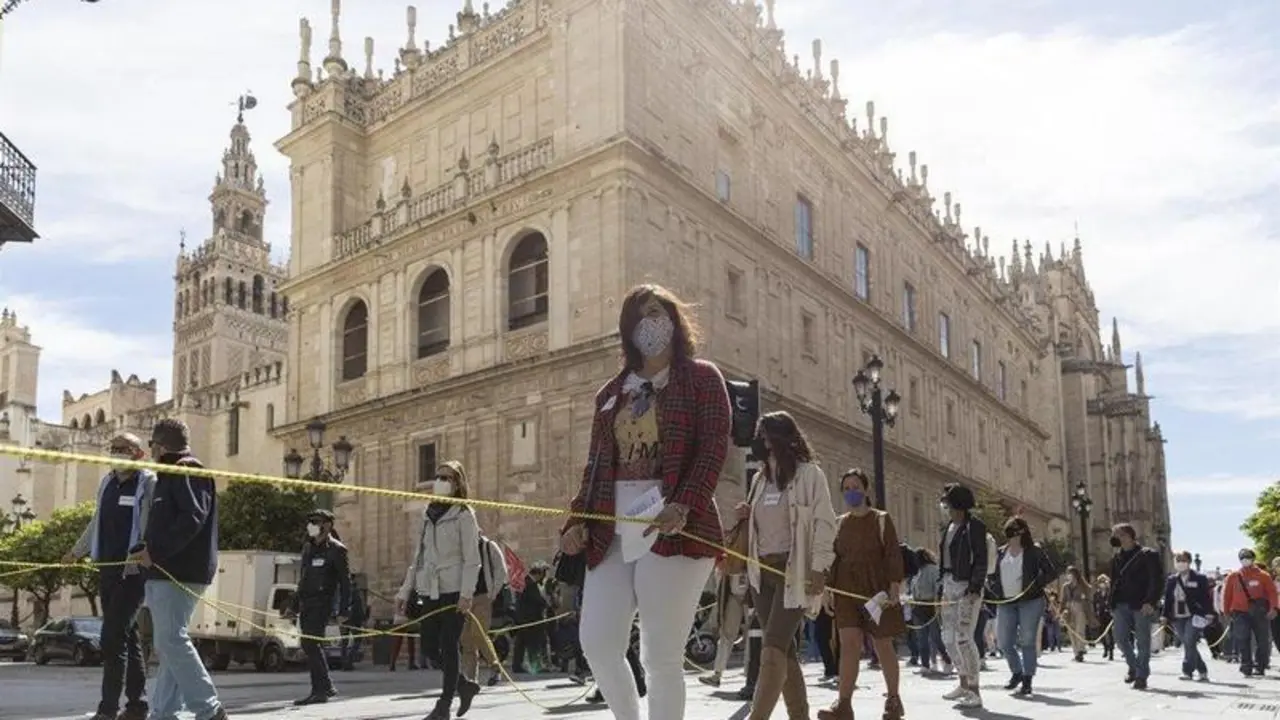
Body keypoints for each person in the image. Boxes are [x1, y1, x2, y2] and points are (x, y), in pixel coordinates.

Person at [558, 284, 731, 720]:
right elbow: (596, 465)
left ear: (674, 319)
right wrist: (575, 523)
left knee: (661, 656)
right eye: (638, 317)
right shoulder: (610, 394)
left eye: (655, 312)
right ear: (627, 332)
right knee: (597, 642)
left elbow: (712, 449)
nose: (648, 324)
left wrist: (684, 504)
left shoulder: (702, 379)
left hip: (675, 529)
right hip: (613, 530)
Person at [740, 412, 838, 720]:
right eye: (760, 435)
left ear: (781, 437)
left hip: (793, 573)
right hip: (761, 573)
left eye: (766, 435)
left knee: (771, 650)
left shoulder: (810, 475)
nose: (761, 441)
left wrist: (819, 568)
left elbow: (825, 523)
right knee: (786, 653)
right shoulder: (758, 480)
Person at [127, 418, 226, 720]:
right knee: (169, 643)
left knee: (170, 639)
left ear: (160, 445)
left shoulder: (186, 470)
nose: (150, 451)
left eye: (150, 446)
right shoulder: (171, 474)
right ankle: (164, 712)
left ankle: (209, 710)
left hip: (178, 571)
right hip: (168, 570)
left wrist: (154, 551)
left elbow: (191, 518)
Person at [65, 433, 157, 720]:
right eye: (113, 449)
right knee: (127, 637)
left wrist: (147, 550)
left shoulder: (148, 482)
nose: (117, 454)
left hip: (132, 571)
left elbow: (153, 522)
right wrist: (76, 551)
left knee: (112, 636)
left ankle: (107, 709)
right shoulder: (106, 482)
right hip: (106, 568)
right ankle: (137, 705)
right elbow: (97, 521)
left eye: (124, 449)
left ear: (138, 454)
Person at [396, 460, 482, 720]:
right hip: (428, 589)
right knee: (430, 649)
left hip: (453, 590)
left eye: (447, 478)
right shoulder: (428, 513)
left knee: (448, 644)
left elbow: (472, 558)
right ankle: (464, 686)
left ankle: (443, 705)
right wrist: (404, 590)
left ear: (457, 483)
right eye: (438, 477)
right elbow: (419, 557)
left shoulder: (464, 513)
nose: (441, 482)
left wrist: (467, 594)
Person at [819, 468, 905, 720]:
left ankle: (893, 701)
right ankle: (843, 704)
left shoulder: (880, 519)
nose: (851, 492)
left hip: (876, 591)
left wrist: (894, 586)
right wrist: (827, 590)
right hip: (845, 590)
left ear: (865, 489)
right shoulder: (839, 523)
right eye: (846, 488)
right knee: (849, 645)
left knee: (882, 644)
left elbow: (892, 553)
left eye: (855, 486)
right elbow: (832, 559)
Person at [286, 509, 351, 705]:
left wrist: (343, 611)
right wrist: (293, 605)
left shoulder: (337, 550)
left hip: (323, 603)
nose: (311, 525)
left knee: (310, 644)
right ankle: (325, 687)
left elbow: (345, 583)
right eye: (310, 521)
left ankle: (321, 690)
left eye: (316, 521)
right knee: (310, 645)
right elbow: (303, 580)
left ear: (328, 525)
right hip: (307, 602)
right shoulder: (308, 548)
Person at [937, 483, 990, 709]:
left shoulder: (974, 527)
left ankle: (975, 690)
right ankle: (962, 682)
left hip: (966, 586)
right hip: (949, 585)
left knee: (964, 637)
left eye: (948, 501)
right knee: (948, 637)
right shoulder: (949, 526)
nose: (945, 506)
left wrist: (974, 587)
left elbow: (981, 558)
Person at [989, 517, 1056, 697]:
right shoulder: (1001, 552)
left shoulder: (1034, 551)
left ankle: (1027, 679)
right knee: (1004, 641)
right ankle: (1016, 671)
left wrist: (1035, 585)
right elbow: (993, 575)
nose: (1013, 535)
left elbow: (1050, 572)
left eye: (1016, 531)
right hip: (1006, 602)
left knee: (1027, 640)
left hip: (1030, 601)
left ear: (1023, 532)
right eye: (1010, 531)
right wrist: (995, 589)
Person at [1106, 523, 1164, 690]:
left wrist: (1151, 601)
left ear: (1128, 536)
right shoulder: (1116, 558)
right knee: (1120, 638)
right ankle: (1133, 666)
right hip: (1120, 604)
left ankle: (1141, 676)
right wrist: (1111, 603)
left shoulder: (1148, 555)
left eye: (1117, 534)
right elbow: (1114, 583)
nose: (1114, 538)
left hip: (1141, 604)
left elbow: (1156, 580)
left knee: (1143, 641)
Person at [1222, 547, 1279, 677]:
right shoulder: (1233, 576)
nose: (1245, 560)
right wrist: (1226, 611)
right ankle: (1246, 665)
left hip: (1260, 612)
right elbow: (1227, 595)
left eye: (1247, 557)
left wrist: (1273, 608)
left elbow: (1272, 593)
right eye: (1242, 558)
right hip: (1240, 612)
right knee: (1242, 639)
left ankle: (1260, 665)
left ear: (1253, 559)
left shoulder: (1263, 575)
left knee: (1262, 640)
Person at [461, 533, 508, 688]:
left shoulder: (488, 546)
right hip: (466, 598)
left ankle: (495, 667)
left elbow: (501, 570)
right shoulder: (463, 549)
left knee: (478, 633)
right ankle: (470, 679)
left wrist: (492, 594)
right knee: (466, 639)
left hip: (483, 596)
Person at [1161, 550, 1212, 681]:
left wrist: (1209, 613)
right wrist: (1164, 615)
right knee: (1188, 644)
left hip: (1193, 615)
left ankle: (1187, 671)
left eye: (1183, 560)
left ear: (1189, 562)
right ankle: (1202, 670)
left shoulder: (1199, 578)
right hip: (1177, 616)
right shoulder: (1172, 579)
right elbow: (1168, 599)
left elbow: (1206, 598)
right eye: (1178, 560)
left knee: (1189, 641)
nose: (1180, 563)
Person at [699, 562, 749, 688]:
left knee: (753, 636)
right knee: (727, 634)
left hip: (752, 593)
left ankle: (751, 675)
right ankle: (717, 674)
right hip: (733, 594)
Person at [510, 564, 550, 673]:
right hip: (530, 619)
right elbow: (539, 600)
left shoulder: (524, 582)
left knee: (521, 643)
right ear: (539, 574)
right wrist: (546, 603)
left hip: (522, 618)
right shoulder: (530, 584)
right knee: (532, 643)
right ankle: (535, 666)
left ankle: (517, 665)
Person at [911, 548, 942, 676]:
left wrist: (937, 605)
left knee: (936, 637)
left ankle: (947, 660)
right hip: (918, 606)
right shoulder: (917, 572)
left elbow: (937, 588)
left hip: (930, 605)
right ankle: (925, 664)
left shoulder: (933, 570)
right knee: (921, 638)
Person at [388, 571, 420, 672]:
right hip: (407, 620)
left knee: (397, 643)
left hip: (399, 620)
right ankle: (411, 663)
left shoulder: (398, 595)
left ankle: (392, 663)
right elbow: (403, 608)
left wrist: (400, 613)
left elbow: (396, 609)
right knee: (410, 641)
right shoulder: (406, 594)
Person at [1060, 566, 1093, 662]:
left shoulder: (1082, 585)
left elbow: (1089, 594)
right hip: (1069, 609)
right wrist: (1061, 612)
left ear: (1075, 574)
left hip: (1080, 608)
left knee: (1080, 630)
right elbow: (1063, 600)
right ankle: (1076, 652)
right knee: (1071, 631)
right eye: (1067, 573)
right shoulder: (1065, 586)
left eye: (1069, 573)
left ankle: (1080, 650)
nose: (1068, 575)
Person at [341, 574, 367, 671]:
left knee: (344, 641)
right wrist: (363, 619)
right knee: (357, 641)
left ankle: (344, 663)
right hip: (354, 619)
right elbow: (358, 607)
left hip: (344, 618)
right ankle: (348, 661)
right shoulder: (354, 591)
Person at [1093, 573, 1115, 660]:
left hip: (1109, 615)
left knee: (1109, 633)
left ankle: (1111, 652)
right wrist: (1095, 613)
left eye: (1104, 581)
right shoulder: (1097, 594)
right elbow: (1094, 604)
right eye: (1100, 582)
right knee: (1101, 633)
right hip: (1101, 615)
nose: (1102, 583)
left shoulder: (1110, 592)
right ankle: (1105, 648)